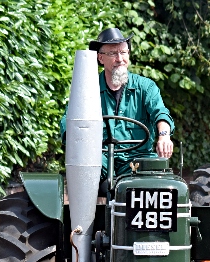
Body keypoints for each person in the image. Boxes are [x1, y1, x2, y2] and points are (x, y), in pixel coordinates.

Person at [60, 28, 174, 188]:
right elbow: (69, 121)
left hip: (139, 157)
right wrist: (76, 140)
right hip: (101, 157)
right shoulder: (87, 88)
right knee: (83, 169)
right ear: (100, 58)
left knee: (156, 180)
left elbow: (160, 114)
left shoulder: (146, 87)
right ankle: (85, 213)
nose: (120, 59)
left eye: (124, 52)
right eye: (113, 53)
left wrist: (164, 137)